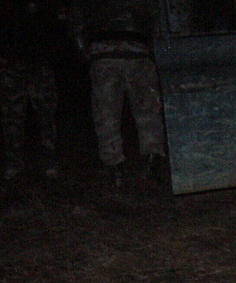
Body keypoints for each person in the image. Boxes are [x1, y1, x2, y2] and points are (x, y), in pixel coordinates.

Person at [70, 0, 167, 188]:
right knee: (147, 113)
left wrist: (84, 50)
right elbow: (157, 17)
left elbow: (76, 21)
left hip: (105, 52)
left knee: (106, 115)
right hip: (136, 51)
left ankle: (115, 167)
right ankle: (151, 160)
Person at [0, 0, 66, 181]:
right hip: (12, 63)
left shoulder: (48, 5)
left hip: (40, 64)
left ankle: (49, 160)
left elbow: (58, 27)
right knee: (12, 117)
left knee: (46, 115)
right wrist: (3, 53)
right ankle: (14, 163)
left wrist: (51, 55)